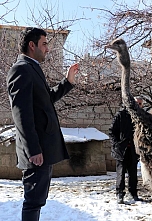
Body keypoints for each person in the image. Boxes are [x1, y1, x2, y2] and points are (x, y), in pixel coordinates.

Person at [6, 27, 79, 221]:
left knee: (38, 200)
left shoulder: (32, 68)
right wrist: (33, 150)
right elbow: (21, 113)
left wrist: (68, 81)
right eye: (44, 44)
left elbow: (46, 99)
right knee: (33, 201)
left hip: (41, 151)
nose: (48, 49)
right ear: (32, 45)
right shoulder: (20, 69)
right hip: (36, 153)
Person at [109, 97, 143, 204]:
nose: (139, 105)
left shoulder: (140, 116)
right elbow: (112, 131)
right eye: (137, 103)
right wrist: (116, 144)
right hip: (121, 149)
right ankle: (120, 194)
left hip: (134, 150)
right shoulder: (121, 115)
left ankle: (134, 193)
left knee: (133, 173)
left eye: (140, 104)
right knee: (121, 173)